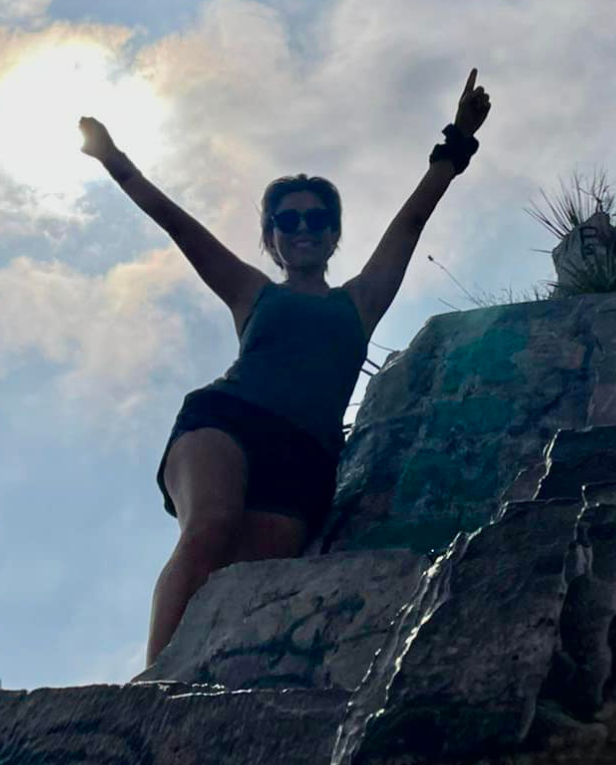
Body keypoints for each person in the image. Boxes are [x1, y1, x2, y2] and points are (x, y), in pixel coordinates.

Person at [81, 70, 493, 667]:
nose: (304, 228)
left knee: (244, 587)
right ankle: (152, 686)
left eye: (317, 218)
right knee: (210, 528)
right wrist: (115, 162)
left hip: (305, 457)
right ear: (272, 238)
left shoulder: (360, 301)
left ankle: (195, 695)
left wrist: (456, 145)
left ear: (333, 235)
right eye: (288, 220)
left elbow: (409, 226)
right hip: (228, 421)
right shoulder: (254, 294)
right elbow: (180, 226)